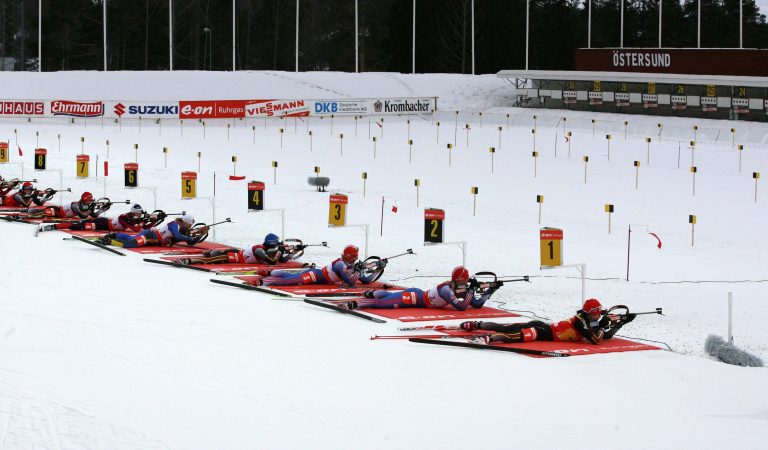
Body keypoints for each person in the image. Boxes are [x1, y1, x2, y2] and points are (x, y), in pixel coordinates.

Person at [460, 298, 636, 345]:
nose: (599, 317)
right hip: (546, 332)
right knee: (516, 335)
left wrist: (620, 323)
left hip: (545, 328)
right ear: (591, 313)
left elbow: (605, 335)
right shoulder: (581, 322)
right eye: (597, 314)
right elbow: (596, 340)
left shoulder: (589, 319)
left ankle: (478, 325)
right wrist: (604, 325)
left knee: (512, 328)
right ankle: (487, 336)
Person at [340, 266, 500, 311]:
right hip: (416, 298)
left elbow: (477, 304)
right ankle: (356, 303)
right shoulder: (446, 289)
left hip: (418, 296)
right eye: (464, 281)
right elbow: (461, 307)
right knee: (384, 304)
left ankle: (374, 293)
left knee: (388, 298)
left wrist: (491, 290)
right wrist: (471, 291)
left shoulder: (459, 288)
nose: (466, 284)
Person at [262, 245, 377, 287]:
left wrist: (377, 268)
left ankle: (268, 273)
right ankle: (263, 281)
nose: (356, 258)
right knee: (290, 281)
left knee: (291, 276)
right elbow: (350, 282)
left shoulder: (348, 264)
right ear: (349, 256)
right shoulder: (341, 264)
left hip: (319, 278)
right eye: (355, 256)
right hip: (315, 275)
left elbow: (366, 280)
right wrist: (358, 270)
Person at [178, 233, 300, 265]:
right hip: (233, 256)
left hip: (238, 255)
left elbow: (282, 260)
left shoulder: (266, 249)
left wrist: (292, 252)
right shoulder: (259, 250)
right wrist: (280, 250)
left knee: (213, 255)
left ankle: (208, 252)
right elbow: (272, 262)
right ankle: (188, 260)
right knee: (211, 260)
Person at [99, 214, 206, 248]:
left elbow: (189, 242)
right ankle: (108, 241)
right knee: (133, 244)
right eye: (189, 225)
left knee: (132, 239)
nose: (189, 227)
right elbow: (178, 236)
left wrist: (200, 234)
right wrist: (190, 237)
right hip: (149, 235)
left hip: (153, 240)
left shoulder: (182, 229)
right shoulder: (175, 224)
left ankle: (114, 235)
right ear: (184, 222)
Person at [37, 203, 148, 233]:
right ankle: (53, 227)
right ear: (133, 212)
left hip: (105, 223)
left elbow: (145, 227)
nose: (139, 214)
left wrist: (153, 220)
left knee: (82, 223)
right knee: (78, 227)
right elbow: (136, 229)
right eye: (137, 212)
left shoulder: (133, 218)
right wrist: (143, 221)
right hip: (103, 224)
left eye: (140, 212)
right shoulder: (124, 217)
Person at [26, 191, 98, 219]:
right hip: (56, 210)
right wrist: (89, 211)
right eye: (89, 200)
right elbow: (82, 216)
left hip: (59, 215)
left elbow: (94, 215)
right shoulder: (75, 205)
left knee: (44, 214)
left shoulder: (85, 206)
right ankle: (28, 215)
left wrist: (101, 210)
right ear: (85, 199)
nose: (90, 202)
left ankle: (30, 212)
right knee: (40, 214)